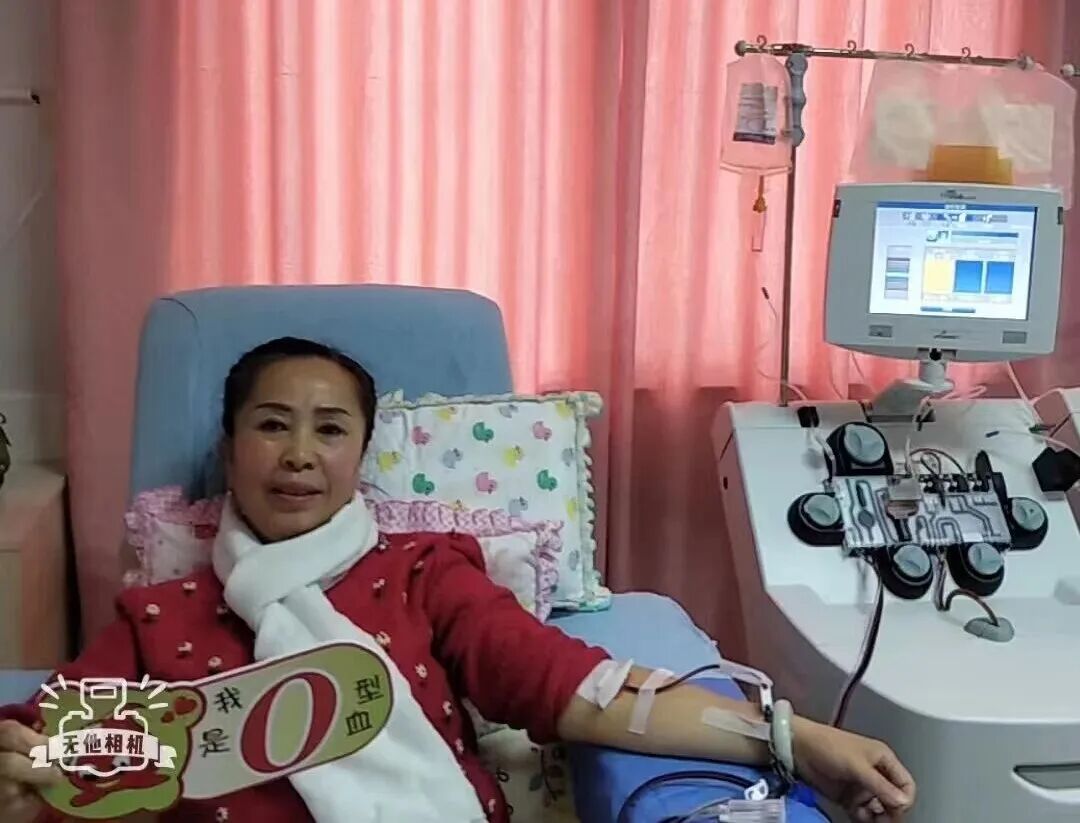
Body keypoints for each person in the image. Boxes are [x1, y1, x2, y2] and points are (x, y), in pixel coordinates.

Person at [0, 337, 916, 823]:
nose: (299, 454)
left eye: (330, 429)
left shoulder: (419, 574)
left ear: (362, 453)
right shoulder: (161, 615)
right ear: (230, 447)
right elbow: (51, 741)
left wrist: (793, 737)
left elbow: (583, 689)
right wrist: (21, 775)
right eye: (272, 424)